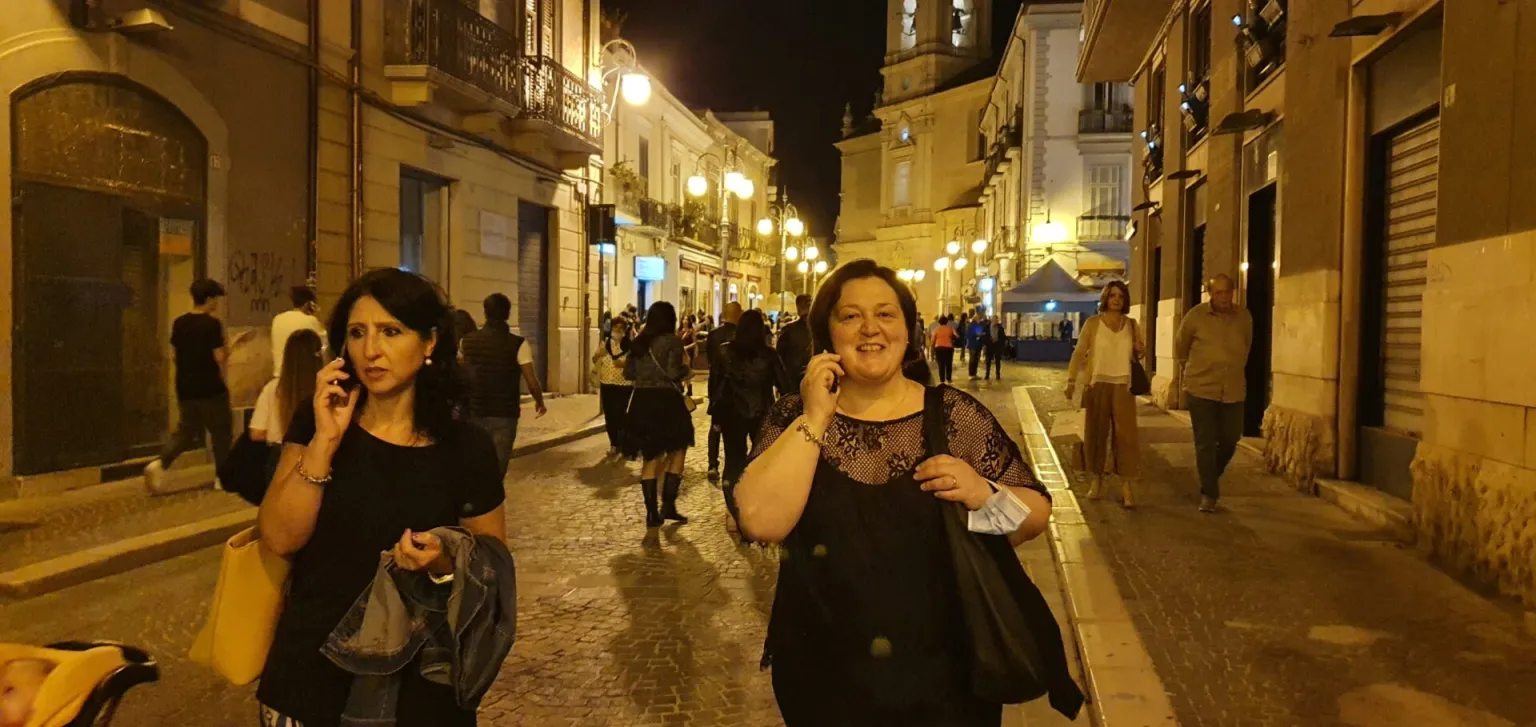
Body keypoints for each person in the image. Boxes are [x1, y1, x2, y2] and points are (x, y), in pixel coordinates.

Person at [734, 259, 1074, 726]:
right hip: (823, 676)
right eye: (850, 315)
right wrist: (815, 419)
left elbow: (1033, 516)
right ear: (827, 333)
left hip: (946, 678)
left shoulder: (954, 415)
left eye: (886, 314)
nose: (870, 328)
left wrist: (984, 494)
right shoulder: (792, 417)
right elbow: (760, 521)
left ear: (908, 329)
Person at [256, 268, 508, 727]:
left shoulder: (465, 447)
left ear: (429, 343)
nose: (371, 350)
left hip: (421, 687)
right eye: (357, 333)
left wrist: (444, 559)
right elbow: (278, 536)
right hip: (309, 680)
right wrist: (325, 444)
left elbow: (492, 559)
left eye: (391, 331)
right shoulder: (318, 422)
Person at [145, 279, 232, 493]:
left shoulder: (179, 323)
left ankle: (159, 463)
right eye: (216, 299)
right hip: (210, 387)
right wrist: (230, 347)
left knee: (186, 431)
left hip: (185, 387)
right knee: (221, 432)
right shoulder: (212, 325)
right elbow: (219, 357)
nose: (217, 304)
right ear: (209, 299)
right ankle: (223, 477)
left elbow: (174, 354)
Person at [1175, 274, 1253, 513]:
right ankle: (1210, 493)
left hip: (1233, 388)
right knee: (1205, 443)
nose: (1223, 297)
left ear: (1233, 292)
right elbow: (1181, 347)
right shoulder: (1195, 316)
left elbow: (1247, 346)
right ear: (1210, 293)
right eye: (1218, 292)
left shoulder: (1243, 317)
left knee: (1231, 439)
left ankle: (1208, 476)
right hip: (1201, 388)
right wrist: (1192, 371)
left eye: (1227, 292)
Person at [1064, 281, 1146, 508]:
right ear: (1105, 299)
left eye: (1120, 296)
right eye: (1112, 296)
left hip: (1123, 386)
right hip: (1096, 384)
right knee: (1095, 435)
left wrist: (1141, 349)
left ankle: (1127, 486)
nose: (1117, 299)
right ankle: (1097, 479)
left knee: (1126, 438)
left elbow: (1140, 351)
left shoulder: (1131, 324)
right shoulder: (1092, 324)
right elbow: (1079, 353)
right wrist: (1071, 380)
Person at [621, 302, 695, 527]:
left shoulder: (639, 342)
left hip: (642, 402)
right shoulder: (673, 342)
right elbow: (674, 372)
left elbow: (628, 373)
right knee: (678, 449)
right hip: (667, 402)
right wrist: (686, 369)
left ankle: (652, 514)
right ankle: (668, 505)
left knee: (650, 457)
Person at [716, 309, 788, 539]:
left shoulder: (725, 352)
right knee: (761, 463)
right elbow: (785, 386)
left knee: (733, 462)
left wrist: (716, 417)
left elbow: (715, 386)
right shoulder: (769, 355)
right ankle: (754, 511)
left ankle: (736, 513)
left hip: (731, 414)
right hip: (762, 415)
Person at [460, 293, 547, 479]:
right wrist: (539, 401)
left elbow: (460, 375)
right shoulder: (518, 344)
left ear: (485, 312)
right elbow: (531, 380)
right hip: (504, 414)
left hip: (475, 411)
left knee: (474, 468)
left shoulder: (466, 342)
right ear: (508, 314)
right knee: (496, 471)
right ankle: (491, 505)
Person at [250, 329, 324, 482]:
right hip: (317, 454)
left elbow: (256, 433)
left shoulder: (273, 388)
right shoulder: (325, 387)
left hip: (279, 457)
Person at [705, 302, 744, 482]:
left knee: (716, 426)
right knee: (735, 430)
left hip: (718, 387)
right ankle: (735, 465)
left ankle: (712, 463)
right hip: (737, 389)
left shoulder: (713, 335)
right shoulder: (742, 335)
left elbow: (710, 361)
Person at [592, 318, 634, 458]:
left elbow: (635, 365)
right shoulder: (605, 343)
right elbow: (594, 359)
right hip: (607, 382)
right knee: (609, 414)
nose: (618, 331)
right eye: (616, 327)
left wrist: (624, 365)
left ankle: (623, 442)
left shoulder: (629, 346)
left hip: (624, 384)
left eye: (621, 328)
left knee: (621, 414)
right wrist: (599, 354)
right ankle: (613, 444)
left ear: (625, 330)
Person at [271, 286, 327, 377]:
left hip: (279, 375)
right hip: (302, 379)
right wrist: (318, 315)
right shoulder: (310, 321)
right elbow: (324, 348)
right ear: (308, 304)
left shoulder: (277, 319)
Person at [776, 294, 814, 392]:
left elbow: (779, 356)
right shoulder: (820, 329)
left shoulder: (788, 330)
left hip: (792, 381)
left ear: (798, 308)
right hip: (814, 379)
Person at [931, 314, 957, 384]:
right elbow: (956, 336)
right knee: (948, 363)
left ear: (939, 322)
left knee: (941, 364)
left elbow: (933, 340)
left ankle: (942, 380)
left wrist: (932, 346)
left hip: (939, 347)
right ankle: (949, 379)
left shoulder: (936, 329)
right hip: (949, 347)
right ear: (946, 322)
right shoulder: (950, 328)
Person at [679, 315, 699, 397]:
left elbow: (694, 342)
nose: (685, 321)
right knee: (680, 370)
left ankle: (689, 388)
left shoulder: (691, 330)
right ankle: (681, 387)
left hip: (688, 352)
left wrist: (686, 347)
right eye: (684, 319)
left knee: (687, 370)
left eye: (687, 319)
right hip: (680, 352)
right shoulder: (679, 330)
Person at [984, 314, 1006, 380]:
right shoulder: (987, 327)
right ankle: (987, 374)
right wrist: (988, 341)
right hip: (989, 346)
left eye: (997, 319)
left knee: (997, 361)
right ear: (991, 320)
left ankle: (998, 374)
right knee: (988, 361)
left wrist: (999, 342)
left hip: (997, 346)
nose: (996, 321)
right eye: (994, 319)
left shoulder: (1000, 327)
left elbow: (1003, 337)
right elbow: (985, 336)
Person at [966, 314, 989, 379]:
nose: (979, 319)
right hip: (973, 345)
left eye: (979, 318)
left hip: (978, 345)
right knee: (972, 359)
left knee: (976, 359)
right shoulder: (971, 326)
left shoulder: (980, 325)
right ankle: (971, 374)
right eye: (978, 318)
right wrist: (977, 334)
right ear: (975, 319)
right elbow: (969, 335)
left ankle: (974, 373)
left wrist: (981, 335)